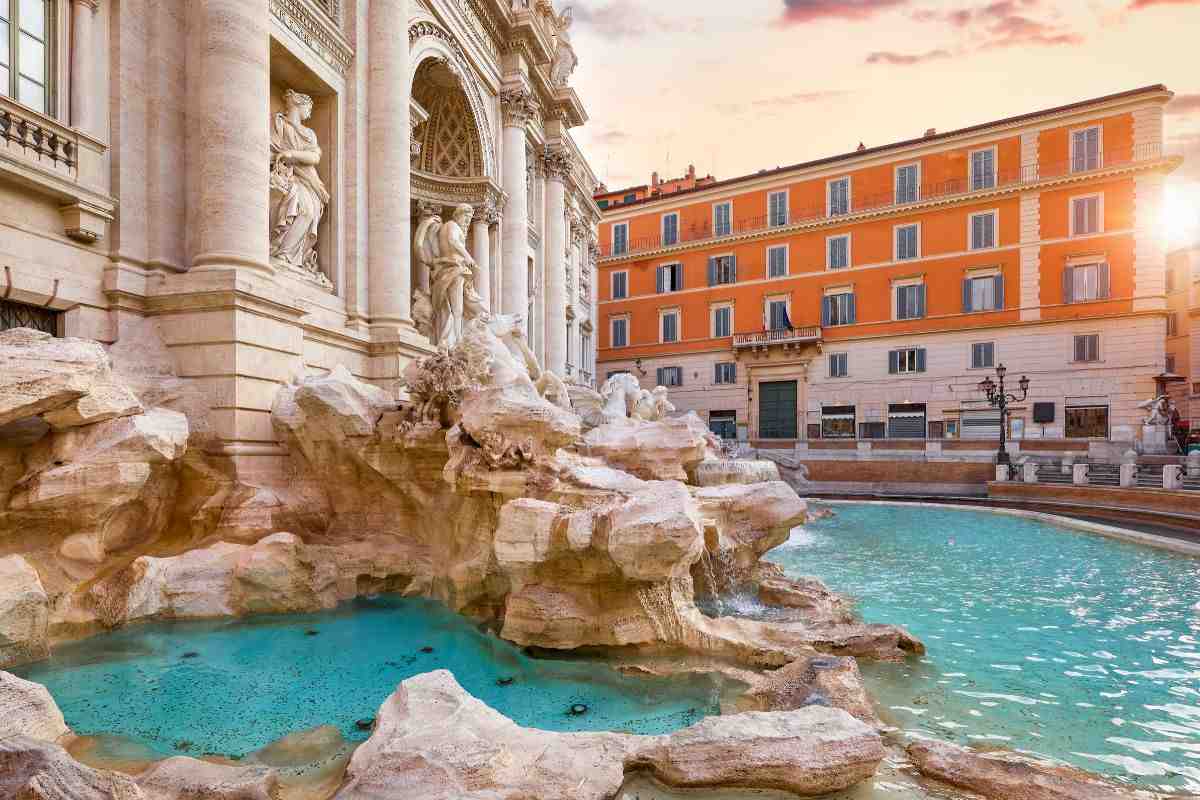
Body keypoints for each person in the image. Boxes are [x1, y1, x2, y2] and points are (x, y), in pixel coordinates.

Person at [269, 89, 330, 283]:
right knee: (302, 208)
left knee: (310, 212)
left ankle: (290, 255)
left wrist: (290, 155)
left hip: (307, 178)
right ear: (299, 105)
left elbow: (314, 157)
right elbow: (271, 146)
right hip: (288, 175)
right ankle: (283, 253)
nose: (310, 113)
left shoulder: (308, 133)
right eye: (308, 108)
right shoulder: (279, 124)